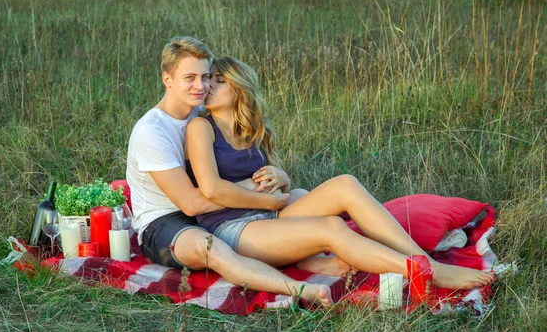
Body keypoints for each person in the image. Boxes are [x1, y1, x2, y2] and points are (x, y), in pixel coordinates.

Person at [184, 56, 495, 290]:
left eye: (217, 80)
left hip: (267, 217)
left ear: (240, 89)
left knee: (344, 183)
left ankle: (421, 259)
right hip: (232, 228)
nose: (207, 86)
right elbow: (212, 190)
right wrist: (268, 200)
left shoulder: (253, 132)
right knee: (332, 227)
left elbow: (276, 187)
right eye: (208, 79)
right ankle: (427, 272)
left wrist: (283, 180)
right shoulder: (202, 128)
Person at [126, 36, 333, 307]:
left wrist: (279, 177)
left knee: (300, 198)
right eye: (190, 77)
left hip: (211, 210)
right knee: (210, 247)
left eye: (205, 76)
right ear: (168, 79)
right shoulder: (151, 131)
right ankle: (299, 288)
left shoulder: (200, 110)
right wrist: (254, 188)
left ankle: (306, 256)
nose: (200, 86)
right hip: (165, 222)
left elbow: (244, 148)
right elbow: (190, 204)